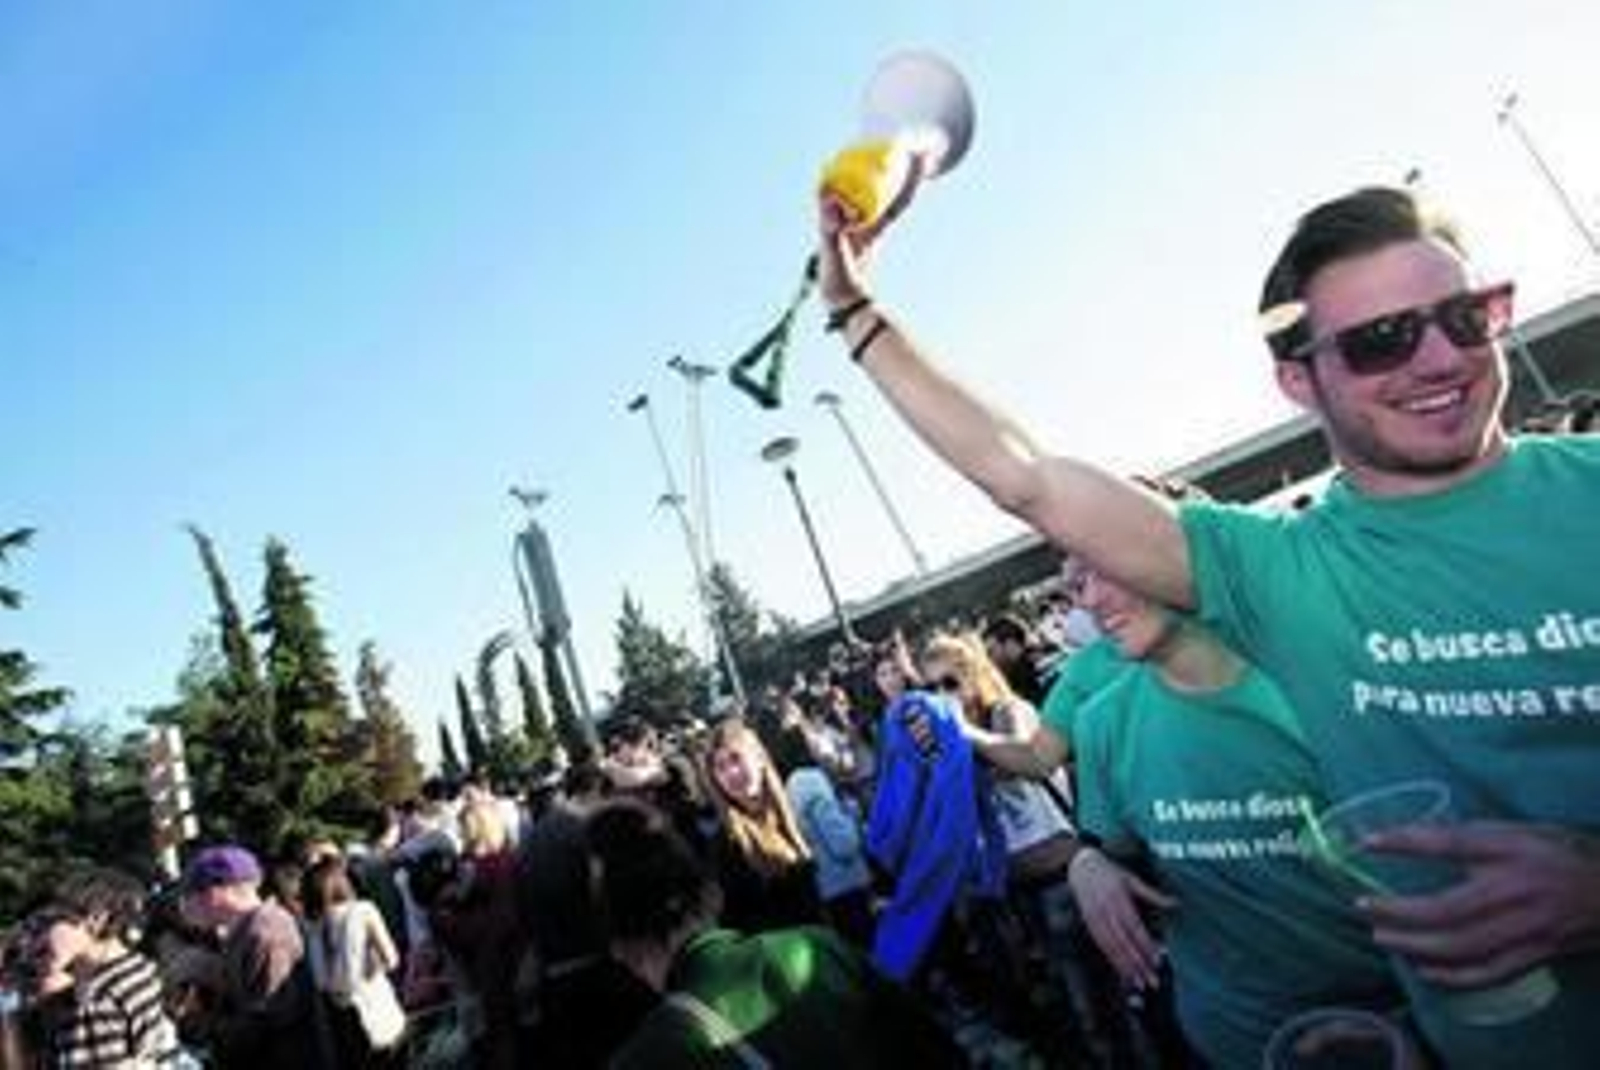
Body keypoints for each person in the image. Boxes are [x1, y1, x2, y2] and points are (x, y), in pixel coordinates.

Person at [817, 182, 1600, 1065]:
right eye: (1381, 340)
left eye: (1465, 317)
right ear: (1299, 381)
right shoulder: (1282, 573)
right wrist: (854, 309)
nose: (1440, 358)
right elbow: (1025, 474)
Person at [589, 797, 964, 1069]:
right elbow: (939, 1053)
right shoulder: (817, 948)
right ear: (711, 893)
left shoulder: (644, 1059)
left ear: (618, 948)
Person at [178, 844, 321, 1069]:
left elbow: (268, 1023)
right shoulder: (245, 931)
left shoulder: (266, 934)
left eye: (190, 896)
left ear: (216, 894)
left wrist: (196, 1024)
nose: (186, 906)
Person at [36, 867, 182, 1068]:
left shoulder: (94, 1000)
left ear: (96, 918)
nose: (36, 942)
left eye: (47, 924)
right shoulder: (143, 967)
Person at [700, 717, 822, 932]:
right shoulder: (727, 842)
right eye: (720, 767)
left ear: (759, 758)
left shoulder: (788, 809)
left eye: (736, 759)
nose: (732, 773)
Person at [302, 857, 406, 1067]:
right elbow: (392, 959)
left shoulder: (311, 925)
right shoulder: (362, 910)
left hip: (340, 1016)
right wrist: (372, 964)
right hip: (374, 1007)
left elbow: (320, 981)